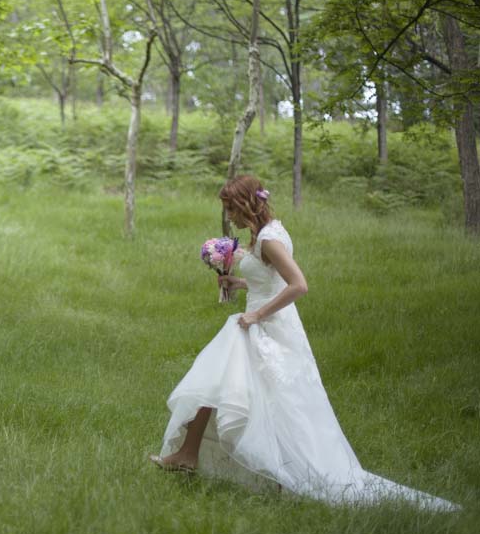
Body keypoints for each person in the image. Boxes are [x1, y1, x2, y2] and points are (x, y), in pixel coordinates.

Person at [148, 174, 461, 512]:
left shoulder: (269, 239)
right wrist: (239, 282)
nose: (230, 217)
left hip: (267, 327)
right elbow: (269, 280)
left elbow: (298, 285)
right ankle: (187, 455)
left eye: (230, 209)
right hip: (258, 321)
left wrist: (257, 315)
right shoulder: (265, 232)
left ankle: (277, 469)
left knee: (274, 400)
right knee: (219, 380)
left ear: (245, 205)